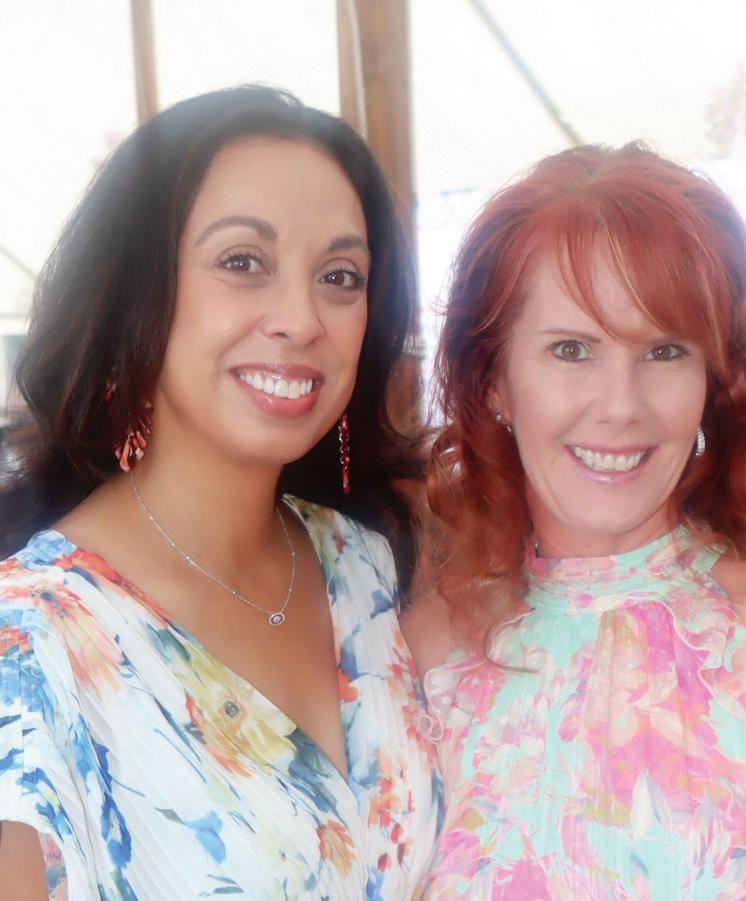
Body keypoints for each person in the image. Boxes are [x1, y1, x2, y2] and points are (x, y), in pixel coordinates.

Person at [0, 85, 442, 899]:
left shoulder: (364, 563)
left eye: (340, 275)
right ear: (140, 291)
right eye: (243, 262)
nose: (300, 318)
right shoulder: (31, 645)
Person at [404, 143, 746, 898]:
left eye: (664, 350)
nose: (620, 405)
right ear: (493, 381)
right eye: (571, 349)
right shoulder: (425, 659)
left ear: (711, 381)